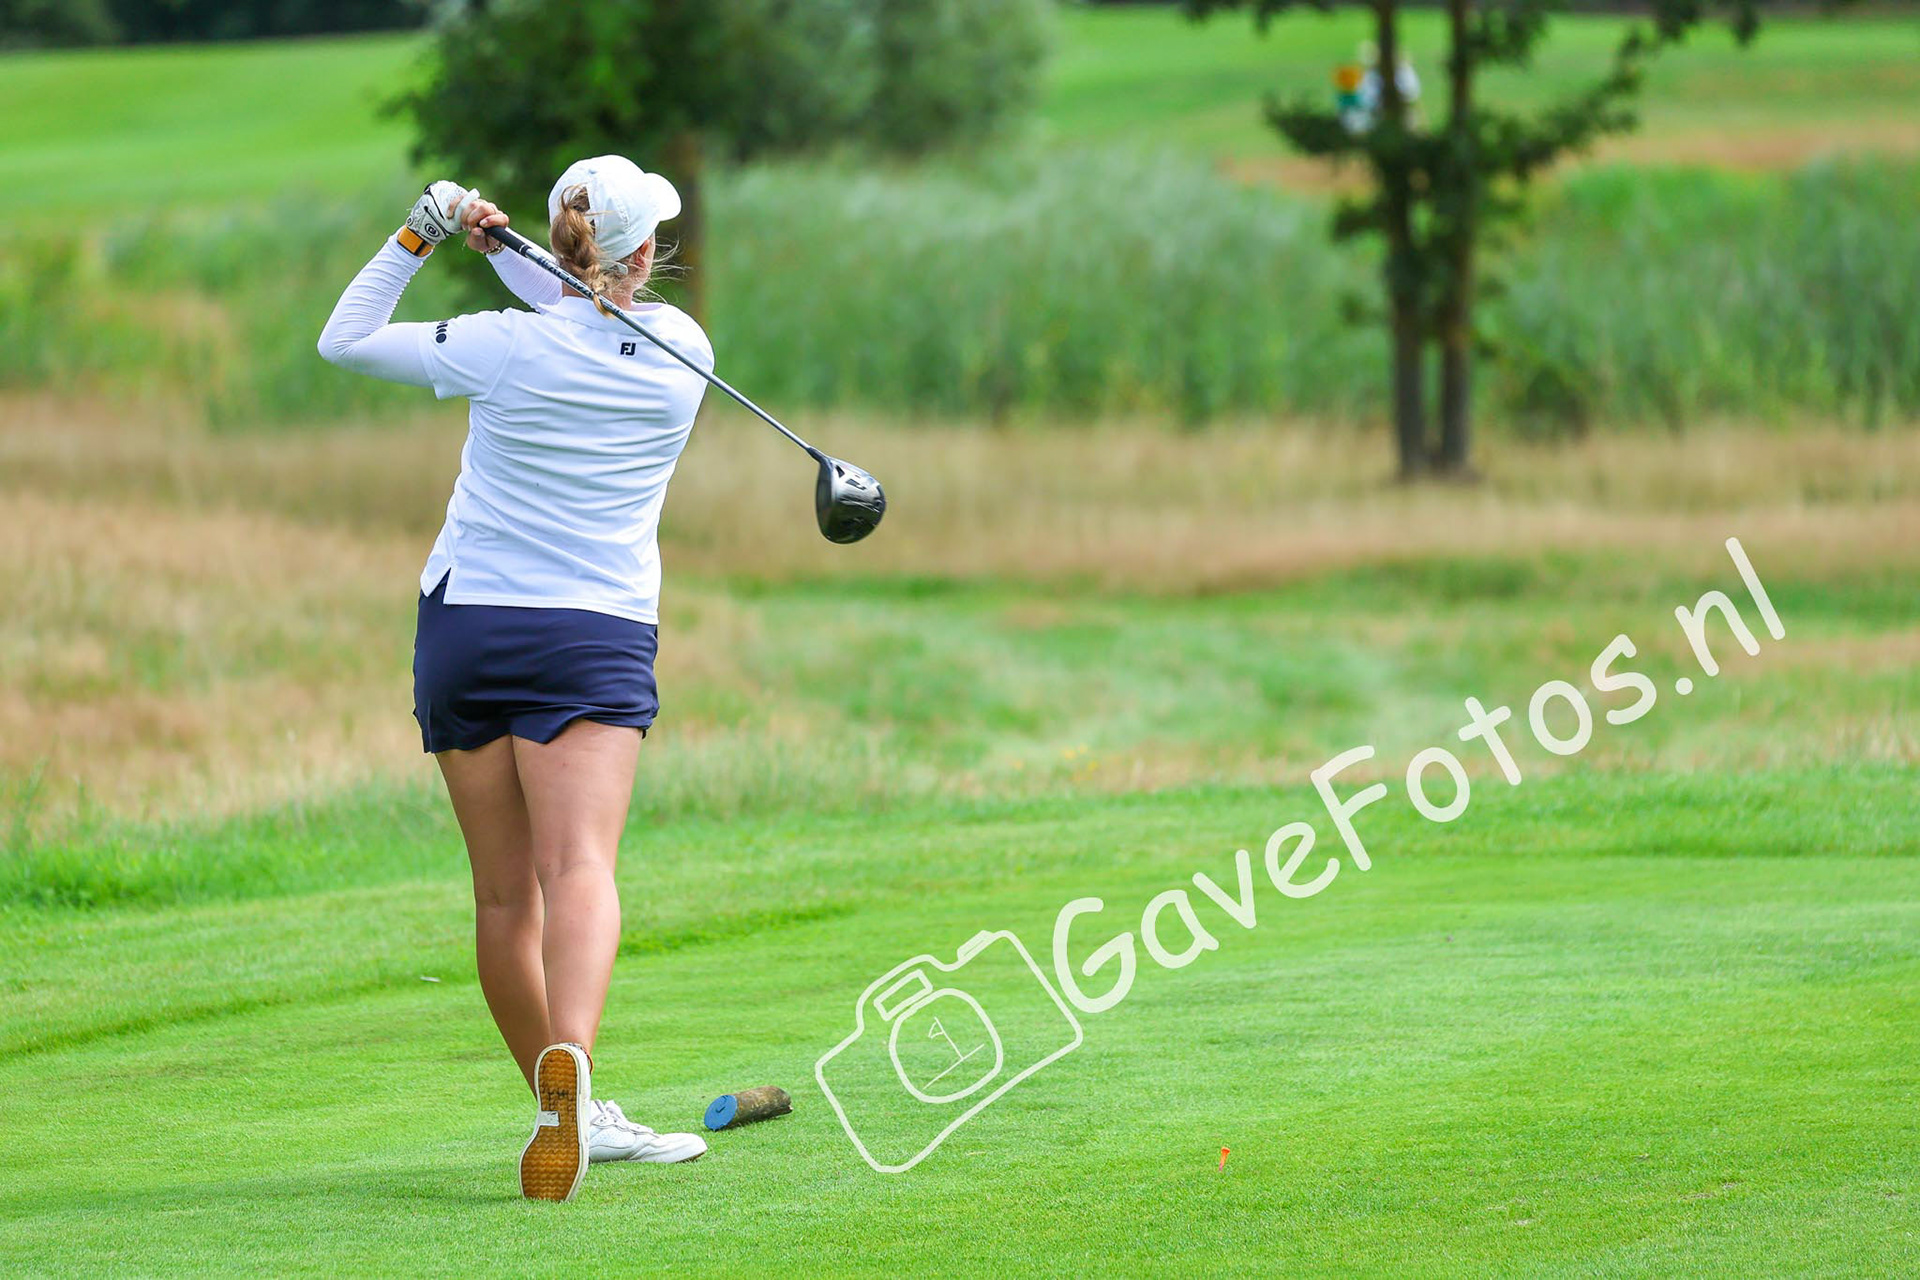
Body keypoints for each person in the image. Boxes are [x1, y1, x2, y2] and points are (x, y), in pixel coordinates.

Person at [318, 157, 711, 1202]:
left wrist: (426, 229)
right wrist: (509, 256)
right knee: (577, 867)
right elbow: (587, 311)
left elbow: (344, 339)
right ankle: (572, 1057)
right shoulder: (687, 353)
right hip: (592, 634)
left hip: (469, 630)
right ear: (643, 254)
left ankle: (561, 1103)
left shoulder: (499, 346)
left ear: (560, 237)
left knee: (503, 895)